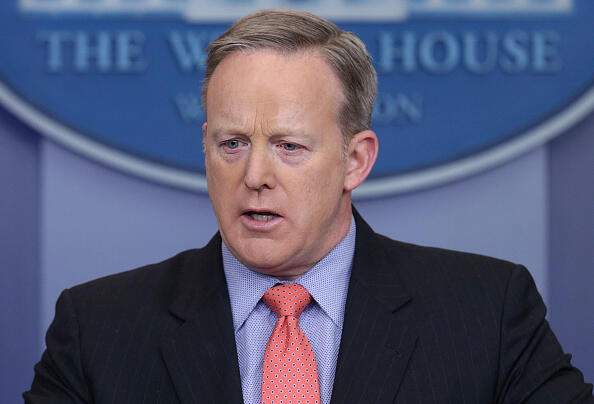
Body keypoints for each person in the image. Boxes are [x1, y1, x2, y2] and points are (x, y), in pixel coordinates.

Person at [24, 9, 593, 404]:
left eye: (288, 146)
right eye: (232, 144)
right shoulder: (99, 326)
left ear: (355, 160)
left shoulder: (486, 313)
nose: (254, 177)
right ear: (205, 149)